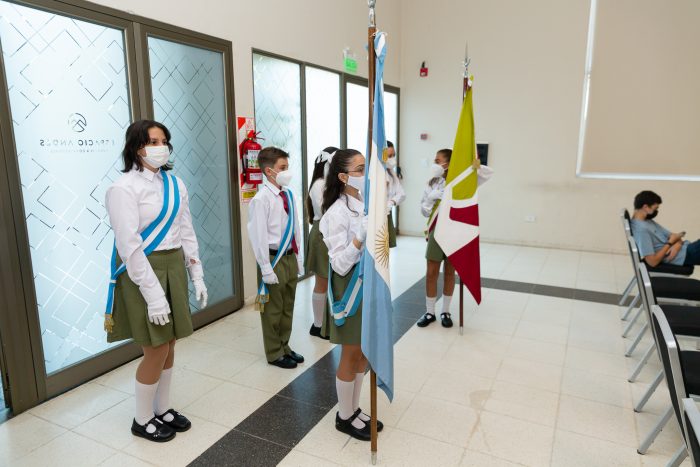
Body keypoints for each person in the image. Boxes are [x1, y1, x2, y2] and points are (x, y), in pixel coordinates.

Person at [105, 120, 208, 442]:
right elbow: (129, 246)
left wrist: (196, 273)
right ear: (137, 147)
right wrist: (153, 295)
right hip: (142, 270)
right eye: (152, 141)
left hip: (173, 265)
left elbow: (186, 231)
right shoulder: (123, 188)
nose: (160, 147)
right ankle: (142, 418)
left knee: (171, 342)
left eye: (164, 141)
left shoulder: (175, 184)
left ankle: (162, 409)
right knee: (155, 347)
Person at [320, 149, 383, 441]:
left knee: (362, 351)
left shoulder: (363, 202)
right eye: (359, 169)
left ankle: (354, 409)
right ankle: (344, 416)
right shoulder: (336, 213)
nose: (364, 173)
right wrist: (359, 237)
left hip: (368, 281)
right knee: (351, 351)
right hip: (350, 286)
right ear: (343, 177)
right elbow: (339, 264)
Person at [417, 148, 493, 328]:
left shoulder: (462, 180)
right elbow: (424, 211)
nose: (435, 164)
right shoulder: (432, 183)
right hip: (436, 231)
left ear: (449, 163)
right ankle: (429, 312)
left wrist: (473, 165)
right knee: (431, 272)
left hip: (455, 231)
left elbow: (488, 173)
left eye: (438, 161)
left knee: (450, 272)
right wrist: (430, 199)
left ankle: (445, 311)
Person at [247, 147, 305, 369]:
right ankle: (274, 353)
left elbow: (296, 227)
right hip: (272, 259)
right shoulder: (261, 199)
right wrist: (265, 267)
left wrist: (299, 257)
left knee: (288, 306)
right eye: (283, 167)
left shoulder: (288, 194)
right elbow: (258, 236)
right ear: (269, 171)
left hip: (289, 257)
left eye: (287, 167)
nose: (287, 172)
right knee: (272, 309)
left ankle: (284, 346)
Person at [305, 147, 337, 339]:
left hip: (332, 232)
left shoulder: (330, 183)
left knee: (330, 280)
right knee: (322, 281)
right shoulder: (319, 184)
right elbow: (326, 210)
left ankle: (325, 323)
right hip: (323, 234)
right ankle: (318, 325)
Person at [631, 190, 700, 267]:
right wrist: (670, 243)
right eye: (655, 208)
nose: (656, 211)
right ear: (645, 207)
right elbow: (652, 262)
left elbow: (675, 236)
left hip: (686, 248)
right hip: (685, 254)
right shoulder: (640, 230)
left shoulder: (647, 222)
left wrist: (678, 245)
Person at [385, 141, 405, 248]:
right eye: (389, 156)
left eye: (393, 155)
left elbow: (401, 193)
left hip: (387, 212)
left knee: (386, 247)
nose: (392, 158)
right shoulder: (374, 172)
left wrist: (392, 201)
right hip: (376, 214)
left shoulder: (391, 172)